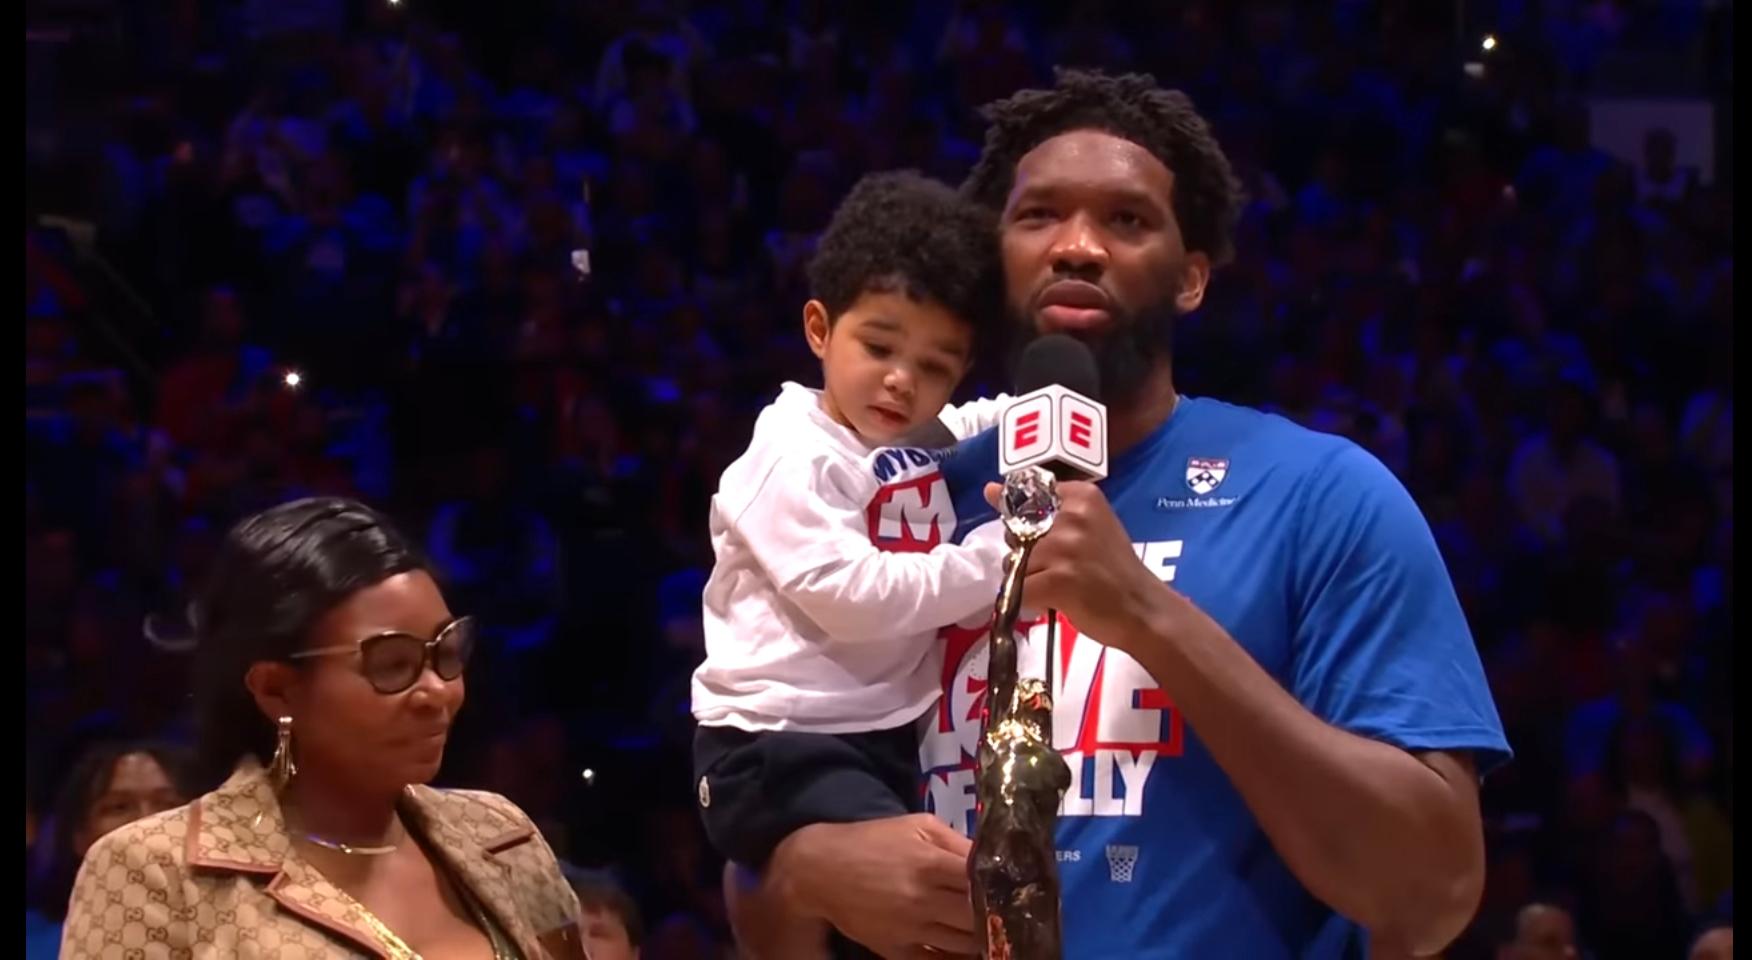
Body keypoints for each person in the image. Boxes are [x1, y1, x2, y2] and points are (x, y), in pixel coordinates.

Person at [732, 68, 1510, 959]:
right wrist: (807, 867)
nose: (1077, 247)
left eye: (1127, 220)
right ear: (996, 258)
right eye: (1038, 216)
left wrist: (1146, 611)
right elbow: (756, 856)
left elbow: (1434, 892)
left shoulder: (1321, 496)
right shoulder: (898, 499)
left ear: (1190, 277)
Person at [689, 171, 1010, 955]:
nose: (904, 380)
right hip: (775, 747)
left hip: (879, 736)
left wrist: (1044, 409)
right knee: (931, 890)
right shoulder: (789, 454)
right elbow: (845, 594)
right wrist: (990, 560)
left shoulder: (907, 432)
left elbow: (974, 421)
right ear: (818, 329)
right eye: (880, 346)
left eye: (937, 366)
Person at [61, 497, 585, 959]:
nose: (438, 691)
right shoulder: (154, 873)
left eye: (446, 651)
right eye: (393, 664)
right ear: (276, 689)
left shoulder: (503, 837)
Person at [26, 741, 192, 960]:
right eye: (119, 807)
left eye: (170, 804)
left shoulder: (235, 923)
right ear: (79, 837)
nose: (147, 822)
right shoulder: (34, 944)